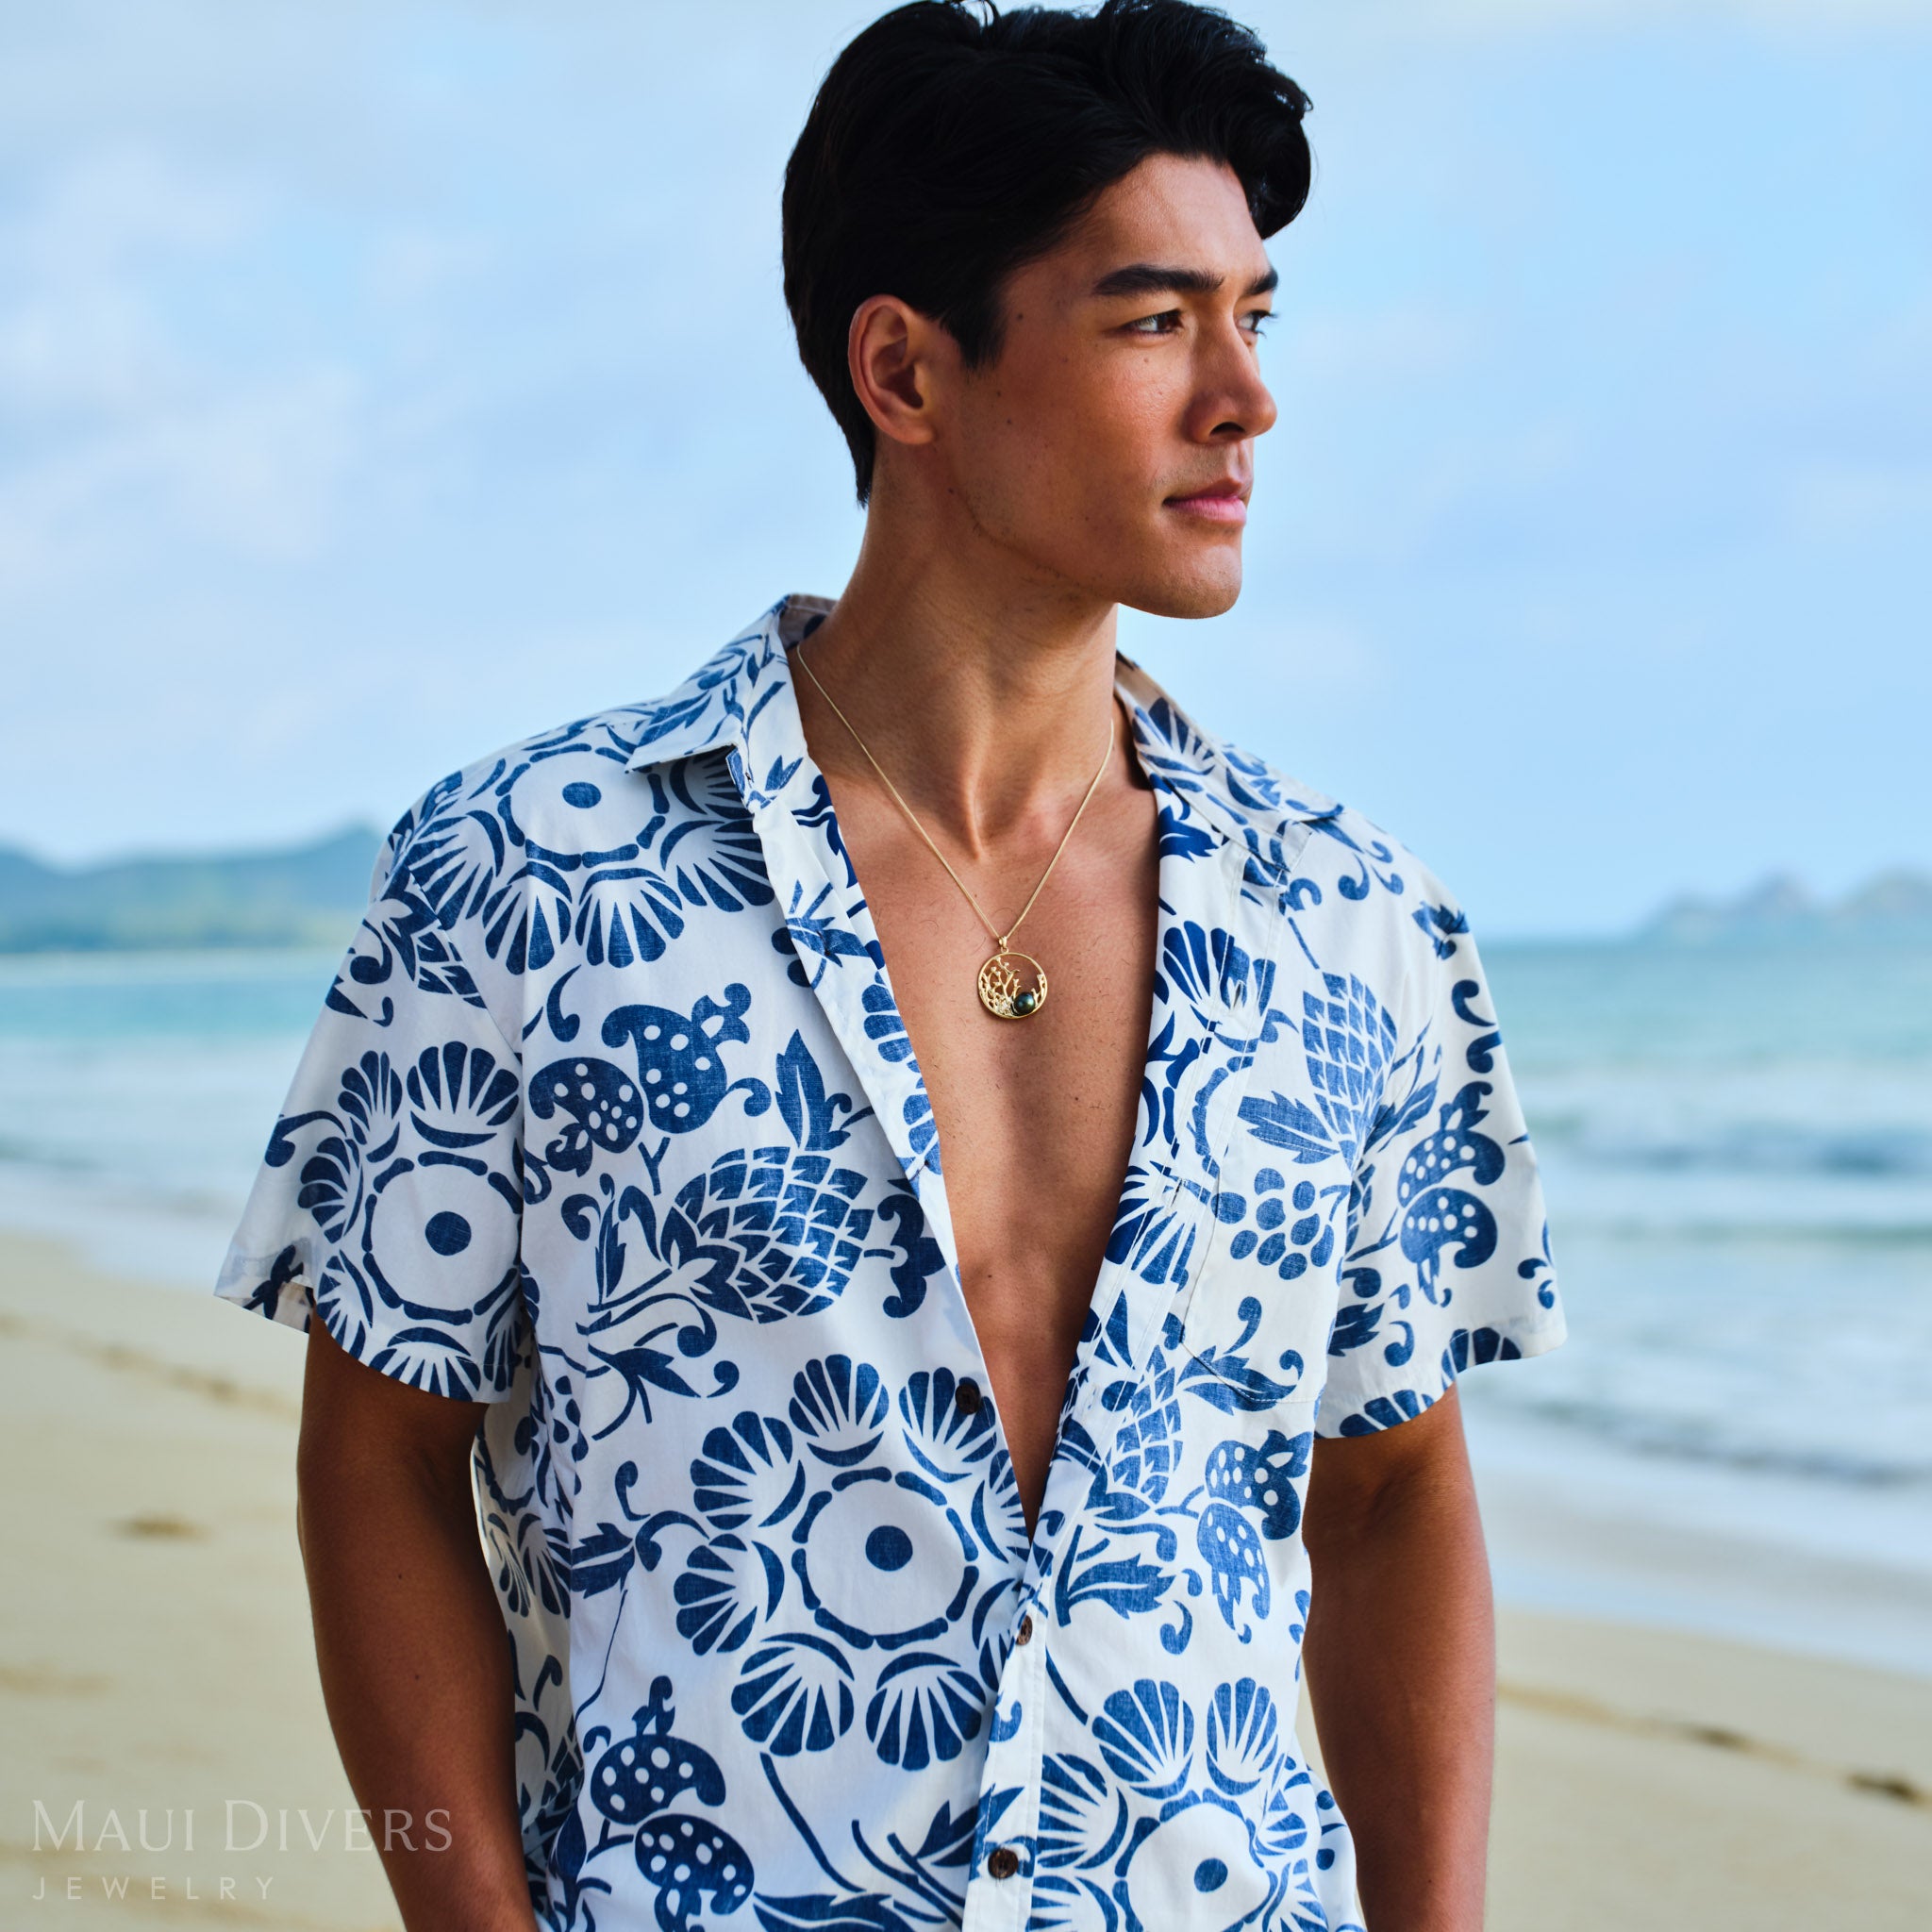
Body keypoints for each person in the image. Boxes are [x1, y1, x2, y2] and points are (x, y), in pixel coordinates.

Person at [214, 3, 1565, 1927]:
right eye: (1155, 321)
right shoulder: (531, 874)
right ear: (906, 370)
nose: (1246, 399)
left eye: (1258, 319)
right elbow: (379, 1460)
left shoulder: (1354, 921)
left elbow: (1392, 1489)